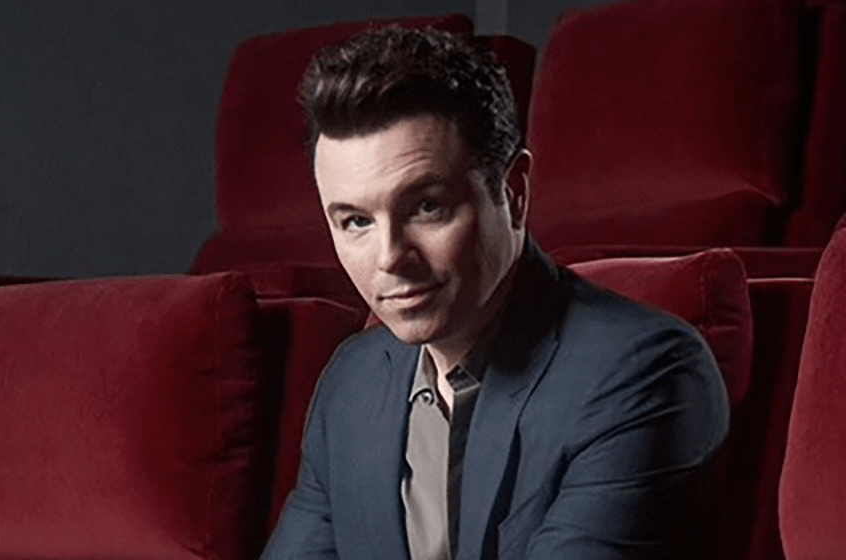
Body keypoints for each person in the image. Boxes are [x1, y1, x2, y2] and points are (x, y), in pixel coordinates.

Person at [261, 26, 729, 560]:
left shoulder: (643, 374)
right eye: (355, 222)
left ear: (514, 192)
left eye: (426, 206)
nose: (390, 257)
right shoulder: (352, 381)